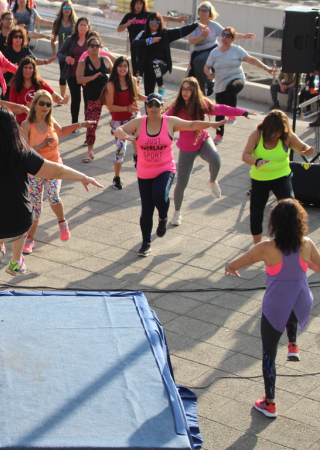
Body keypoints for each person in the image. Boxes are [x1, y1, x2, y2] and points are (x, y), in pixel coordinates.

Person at [0, 105, 103, 350]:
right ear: (14, 128)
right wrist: (82, 176)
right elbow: (53, 169)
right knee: (25, 218)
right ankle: (16, 260)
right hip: (18, 224)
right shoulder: (22, 153)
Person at [225, 199, 319, 418]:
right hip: (302, 306)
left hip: (276, 308)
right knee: (292, 311)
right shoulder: (307, 244)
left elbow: (236, 263)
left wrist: (229, 267)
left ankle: (269, 404)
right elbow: (318, 265)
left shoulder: (266, 248)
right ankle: (293, 345)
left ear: (275, 222)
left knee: (269, 354)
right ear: (300, 221)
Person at [113, 93, 226, 257]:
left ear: (162, 107)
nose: (153, 108)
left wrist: (211, 124)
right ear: (146, 107)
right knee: (146, 209)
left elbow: (192, 124)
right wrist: (124, 135)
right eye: (150, 104)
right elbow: (118, 129)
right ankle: (146, 243)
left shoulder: (170, 122)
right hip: (144, 171)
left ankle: (163, 217)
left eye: (157, 105)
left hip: (165, 168)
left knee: (159, 194)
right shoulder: (139, 122)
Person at [166, 77, 251, 226]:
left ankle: (212, 181)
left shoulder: (202, 104)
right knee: (181, 184)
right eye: (183, 89)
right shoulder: (177, 107)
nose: (185, 92)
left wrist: (242, 112)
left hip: (203, 140)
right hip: (187, 147)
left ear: (194, 91)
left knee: (215, 159)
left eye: (188, 89)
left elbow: (222, 108)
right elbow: (164, 119)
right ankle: (177, 213)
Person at [20, 90, 95, 254]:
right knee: (35, 207)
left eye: (48, 104)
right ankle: (30, 239)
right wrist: (40, 146)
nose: (45, 107)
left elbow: (61, 131)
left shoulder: (50, 121)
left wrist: (80, 124)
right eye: (42, 103)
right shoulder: (26, 125)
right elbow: (22, 152)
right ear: (34, 105)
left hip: (54, 167)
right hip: (35, 170)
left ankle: (62, 222)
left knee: (54, 196)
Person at [242, 110, 314, 244]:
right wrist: (256, 161)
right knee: (256, 215)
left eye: (280, 132)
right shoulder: (257, 135)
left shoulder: (288, 136)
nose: (277, 135)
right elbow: (245, 155)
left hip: (281, 178)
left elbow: (303, 147)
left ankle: (292, 241)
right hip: (260, 180)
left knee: (291, 210)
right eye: (274, 131)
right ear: (267, 127)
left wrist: (307, 150)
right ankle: (257, 246)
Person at [205, 27, 277, 144]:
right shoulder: (215, 52)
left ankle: (233, 114)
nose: (224, 37)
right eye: (223, 35)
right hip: (220, 83)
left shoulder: (237, 50)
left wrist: (266, 68)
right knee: (219, 110)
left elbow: (252, 60)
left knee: (231, 88)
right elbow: (206, 66)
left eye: (227, 36)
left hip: (236, 78)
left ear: (232, 39)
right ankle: (219, 135)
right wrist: (208, 73)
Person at [187, 1, 255, 95]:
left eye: (205, 11)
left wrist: (244, 36)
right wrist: (202, 36)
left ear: (209, 13)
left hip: (211, 51)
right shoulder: (194, 26)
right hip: (198, 52)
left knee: (198, 61)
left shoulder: (214, 25)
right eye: (201, 10)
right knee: (196, 77)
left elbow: (228, 34)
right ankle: (202, 98)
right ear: (198, 12)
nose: (203, 13)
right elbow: (191, 41)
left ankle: (210, 83)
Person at [132, 13, 203, 97]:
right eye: (152, 22)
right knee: (149, 97)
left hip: (162, 65)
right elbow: (134, 43)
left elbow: (181, 31)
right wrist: (149, 40)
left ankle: (161, 87)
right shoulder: (143, 34)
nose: (154, 24)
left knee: (154, 63)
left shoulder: (165, 33)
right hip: (148, 69)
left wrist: (196, 24)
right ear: (148, 23)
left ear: (160, 23)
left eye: (157, 22)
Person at [105, 55, 145, 190]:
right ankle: (116, 177)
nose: (123, 68)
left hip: (132, 116)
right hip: (119, 120)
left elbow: (137, 96)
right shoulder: (111, 85)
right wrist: (126, 108)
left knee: (140, 133)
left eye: (125, 66)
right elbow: (110, 106)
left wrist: (151, 99)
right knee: (121, 149)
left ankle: (137, 156)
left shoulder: (133, 80)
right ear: (116, 67)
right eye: (120, 66)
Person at [117, 0, 187, 76]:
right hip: (136, 46)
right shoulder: (129, 16)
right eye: (137, 3)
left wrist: (177, 19)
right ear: (133, 4)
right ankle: (136, 85)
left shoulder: (147, 15)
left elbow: (160, 18)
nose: (139, 5)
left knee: (148, 70)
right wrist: (128, 23)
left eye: (141, 3)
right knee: (136, 72)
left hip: (147, 46)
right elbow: (119, 29)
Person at [76, 34, 112, 163]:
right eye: (92, 45)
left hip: (108, 96)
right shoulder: (83, 63)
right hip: (93, 97)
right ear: (88, 48)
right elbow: (79, 79)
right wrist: (92, 78)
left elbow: (116, 76)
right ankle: (90, 151)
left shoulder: (106, 60)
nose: (95, 48)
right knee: (91, 125)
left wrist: (107, 77)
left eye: (97, 46)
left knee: (121, 116)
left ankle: (115, 127)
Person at [8, 56, 68, 123]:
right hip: (22, 123)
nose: (28, 70)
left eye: (30, 68)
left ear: (33, 70)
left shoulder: (41, 83)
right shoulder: (15, 86)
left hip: (40, 123)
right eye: (25, 67)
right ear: (21, 69)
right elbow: (12, 108)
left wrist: (63, 100)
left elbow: (55, 96)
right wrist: (24, 109)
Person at [57, 17, 91, 124]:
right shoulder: (70, 39)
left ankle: (87, 123)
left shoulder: (91, 40)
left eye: (85, 25)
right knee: (76, 100)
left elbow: (100, 52)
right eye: (81, 25)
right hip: (73, 75)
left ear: (88, 27)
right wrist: (66, 58)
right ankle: (75, 123)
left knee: (88, 101)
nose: (83, 27)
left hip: (87, 76)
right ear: (77, 27)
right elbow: (59, 53)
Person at [50, 0, 76, 99]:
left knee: (73, 76)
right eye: (65, 8)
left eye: (69, 8)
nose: (67, 10)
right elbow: (53, 38)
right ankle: (62, 95)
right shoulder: (57, 22)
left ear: (71, 9)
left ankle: (74, 95)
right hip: (62, 54)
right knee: (63, 75)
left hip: (73, 53)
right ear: (61, 9)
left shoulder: (75, 22)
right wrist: (53, 51)